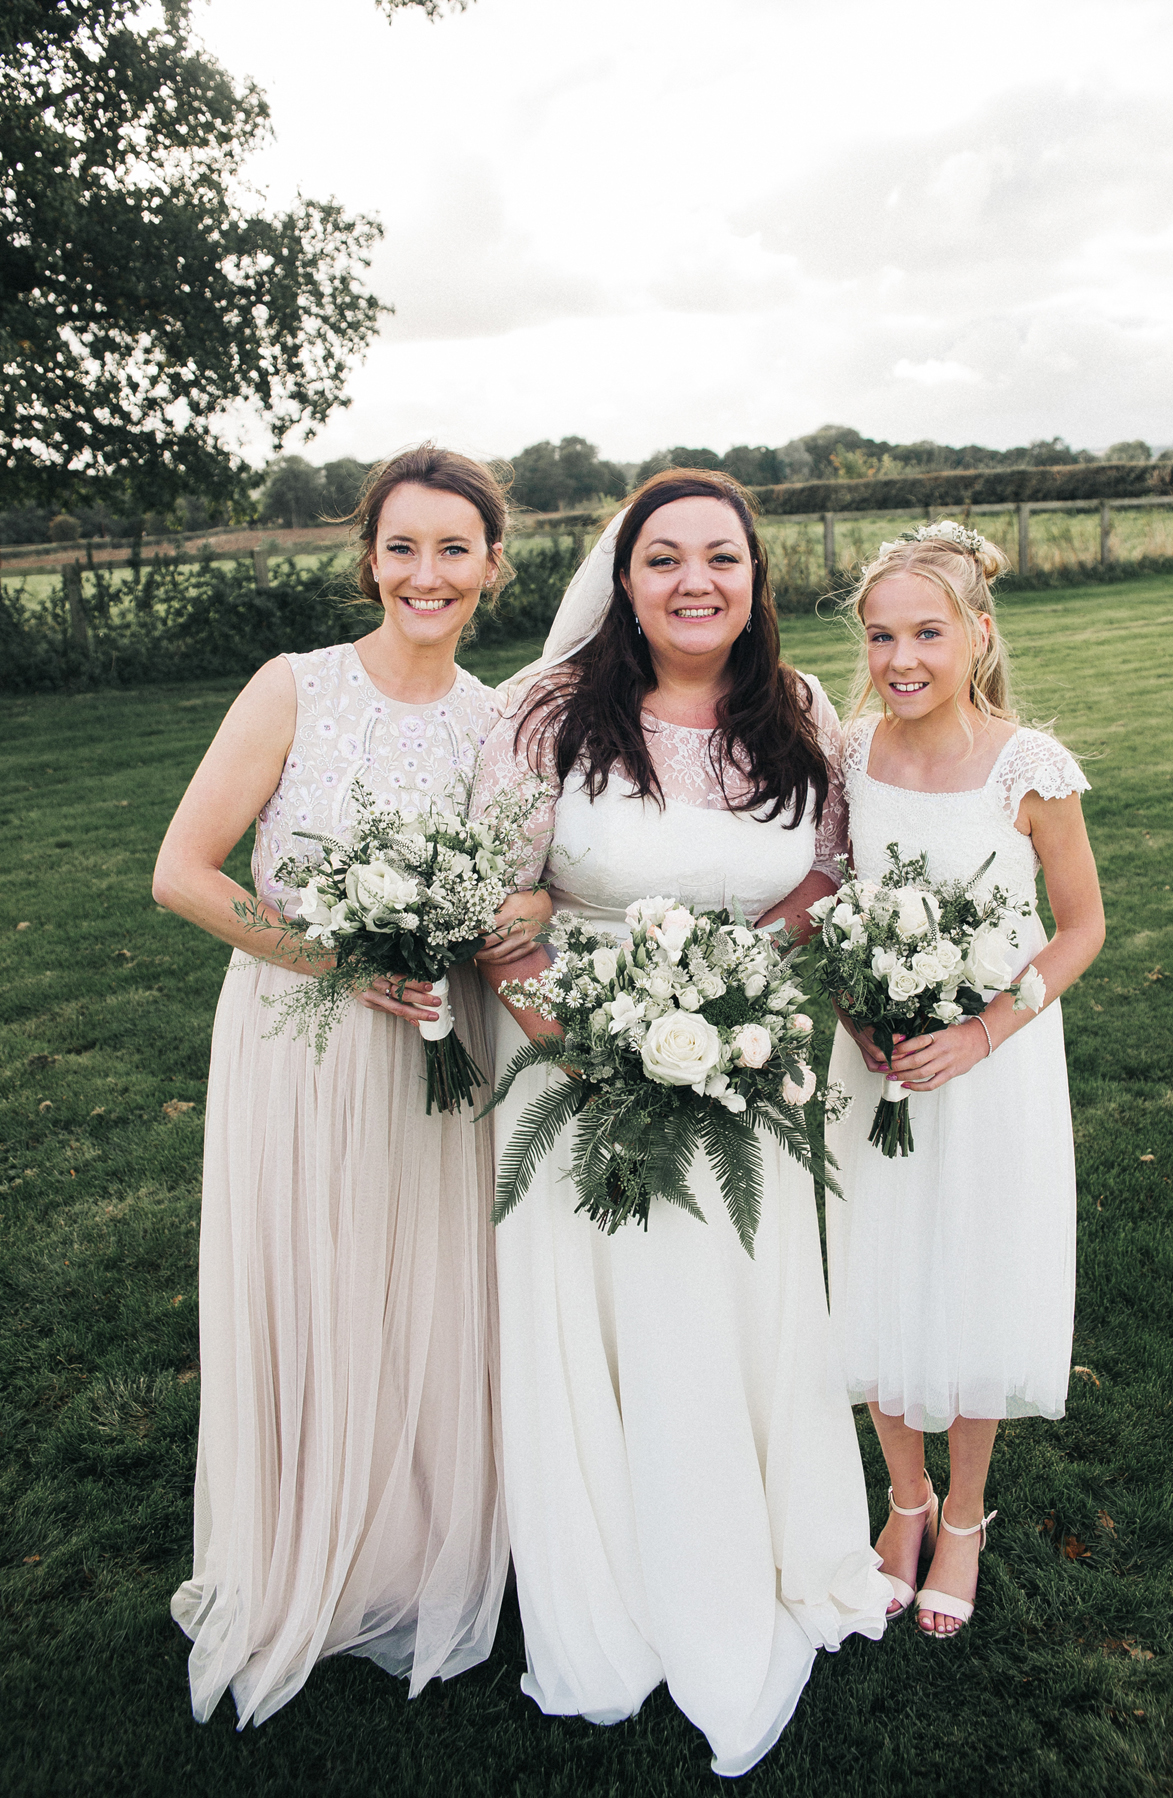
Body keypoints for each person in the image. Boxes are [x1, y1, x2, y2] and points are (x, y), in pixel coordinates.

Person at [470, 469, 891, 1779]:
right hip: (574, 1068)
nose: (693, 580)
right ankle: (620, 1582)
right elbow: (500, 903)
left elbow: (824, 867)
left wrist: (721, 995)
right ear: (622, 579)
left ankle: (756, 1540)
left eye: (719, 556)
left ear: (753, 578)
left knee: (735, 1310)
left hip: (744, 1058)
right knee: (621, 1317)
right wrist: (598, 1051)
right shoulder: (544, 712)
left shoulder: (799, 711)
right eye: (662, 558)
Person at [154, 444, 548, 1726]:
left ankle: (410, 1550)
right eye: (401, 546)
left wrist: (499, 910)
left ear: (493, 564)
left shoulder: (503, 725)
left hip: (439, 1050)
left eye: (452, 548)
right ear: (367, 557)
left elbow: (532, 889)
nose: (423, 574)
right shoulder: (295, 689)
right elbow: (185, 872)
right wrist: (337, 960)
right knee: (311, 1280)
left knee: (426, 1292)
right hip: (299, 1043)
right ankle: (300, 1552)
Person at [824, 521, 1105, 1639]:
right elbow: (832, 900)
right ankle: (902, 1499)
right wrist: (858, 1018)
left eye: (926, 632)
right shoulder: (848, 755)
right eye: (881, 634)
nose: (901, 657)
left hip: (992, 1069)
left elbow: (1078, 928)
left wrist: (985, 1032)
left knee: (976, 1274)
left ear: (975, 633)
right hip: (877, 1068)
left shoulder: (1028, 766)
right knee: (879, 1269)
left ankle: (968, 1515)